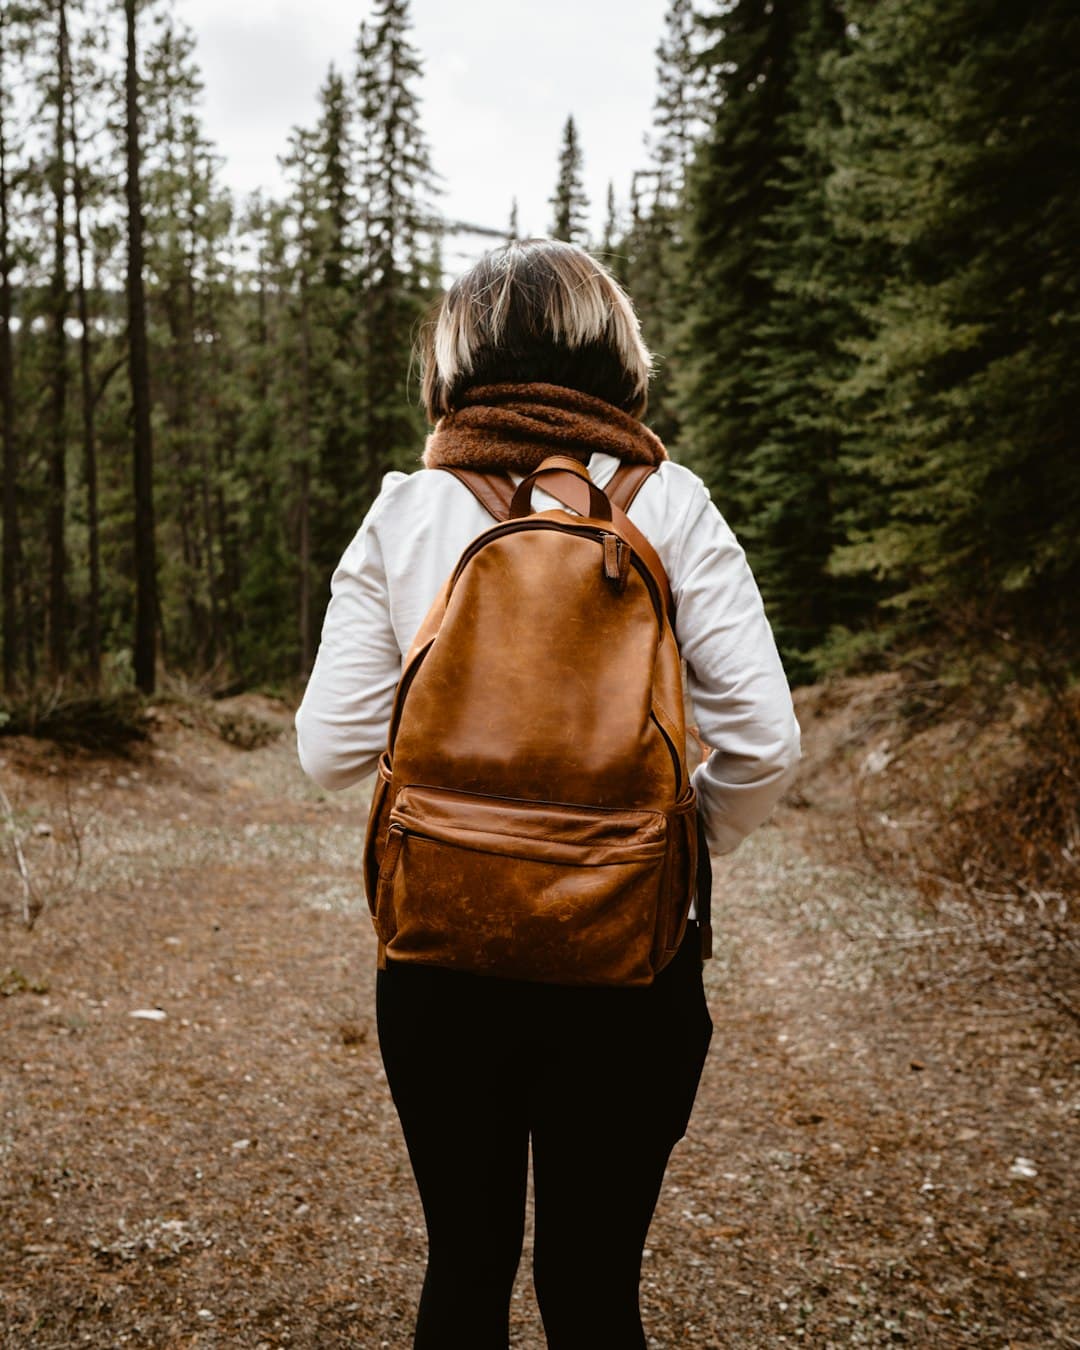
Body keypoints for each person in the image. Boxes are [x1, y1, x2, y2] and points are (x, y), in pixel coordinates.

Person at [294, 239, 800, 1349]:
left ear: (456, 359)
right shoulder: (672, 505)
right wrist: (667, 844)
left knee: (466, 1271)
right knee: (594, 1291)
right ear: (613, 350)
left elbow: (328, 754)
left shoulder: (407, 511)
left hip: (440, 956)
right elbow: (764, 744)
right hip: (631, 959)